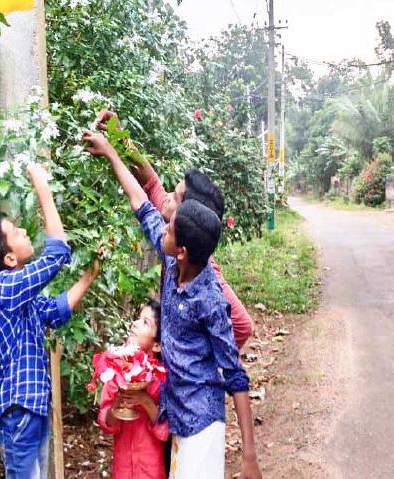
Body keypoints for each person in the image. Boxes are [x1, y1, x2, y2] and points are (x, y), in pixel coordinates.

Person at [83, 131, 262, 479]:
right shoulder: (174, 260)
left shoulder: (210, 299)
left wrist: (249, 457)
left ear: (181, 250)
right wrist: (111, 154)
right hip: (176, 414)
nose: (162, 228)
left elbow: (234, 374)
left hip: (202, 421)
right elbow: (141, 203)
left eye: (168, 230)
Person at [0, 163, 99, 478]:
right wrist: (42, 185)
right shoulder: (5, 289)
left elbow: (54, 311)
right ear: (9, 258)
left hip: (31, 409)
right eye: (16, 232)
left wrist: (89, 276)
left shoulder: (19, 296)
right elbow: (57, 253)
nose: (24, 232)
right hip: (20, 411)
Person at [94, 110, 253, 350]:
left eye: (175, 197)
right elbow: (150, 184)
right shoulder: (176, 247)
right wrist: (120, 140)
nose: (166, 196)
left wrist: (200, 357)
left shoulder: (207, 278)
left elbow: (242, 327)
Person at [97, 300, 168, 479]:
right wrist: (116, 406)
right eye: (138, 318)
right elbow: (106, 422)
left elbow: (166, 431)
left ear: (157, 345)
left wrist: (146, 401)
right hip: (122, 470)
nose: (135, 323)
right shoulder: (117, 370)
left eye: (145, 322)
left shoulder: (161, 378)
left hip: (151, 471)